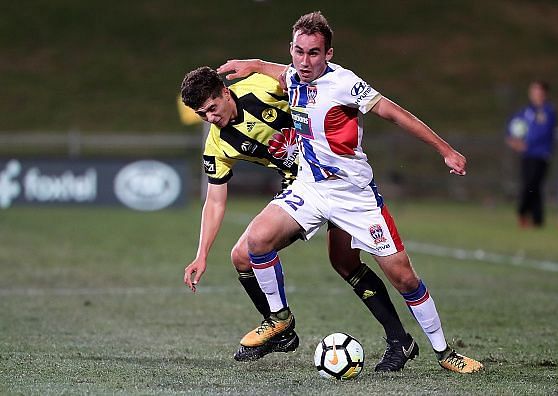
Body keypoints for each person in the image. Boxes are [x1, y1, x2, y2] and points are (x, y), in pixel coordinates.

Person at [217, 11, 484, 374]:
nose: (304, 60)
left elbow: (396, 114)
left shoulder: (345, 84)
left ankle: (444, 352)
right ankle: (279, 319)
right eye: (298, 51)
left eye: (314, 53)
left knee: (404, 277)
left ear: (328, 54)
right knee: (257, 241)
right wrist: (253, 63)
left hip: (355, 197)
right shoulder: (293, 75)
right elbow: (277, 70)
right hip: (311, 188)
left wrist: (445, 150)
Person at [180, 66, 417, 370]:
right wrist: (201, 255)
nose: (211, 118)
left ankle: (399, 341)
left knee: (345, 263)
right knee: (241, 256)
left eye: (212, 108)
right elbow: (214, 201)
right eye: (203, 114)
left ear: (225, 92)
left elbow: (303, 77)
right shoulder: (217, 144)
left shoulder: (260, 87)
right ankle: (281, 329)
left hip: (335, 177)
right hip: (299, 189)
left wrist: (258, 63)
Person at [506, 81, 557, 228]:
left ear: (544, 94)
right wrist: (512, 139)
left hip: (541, 154)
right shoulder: (526, 111)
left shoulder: (548, 111)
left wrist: (526, 143)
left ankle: (522, 212)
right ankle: (537, 220)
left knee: (532, 184)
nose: (535, 94)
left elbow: (543, 132)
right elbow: (512, 124)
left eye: (538, 91)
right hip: (526, 154)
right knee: (532, 186)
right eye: (533, 91)